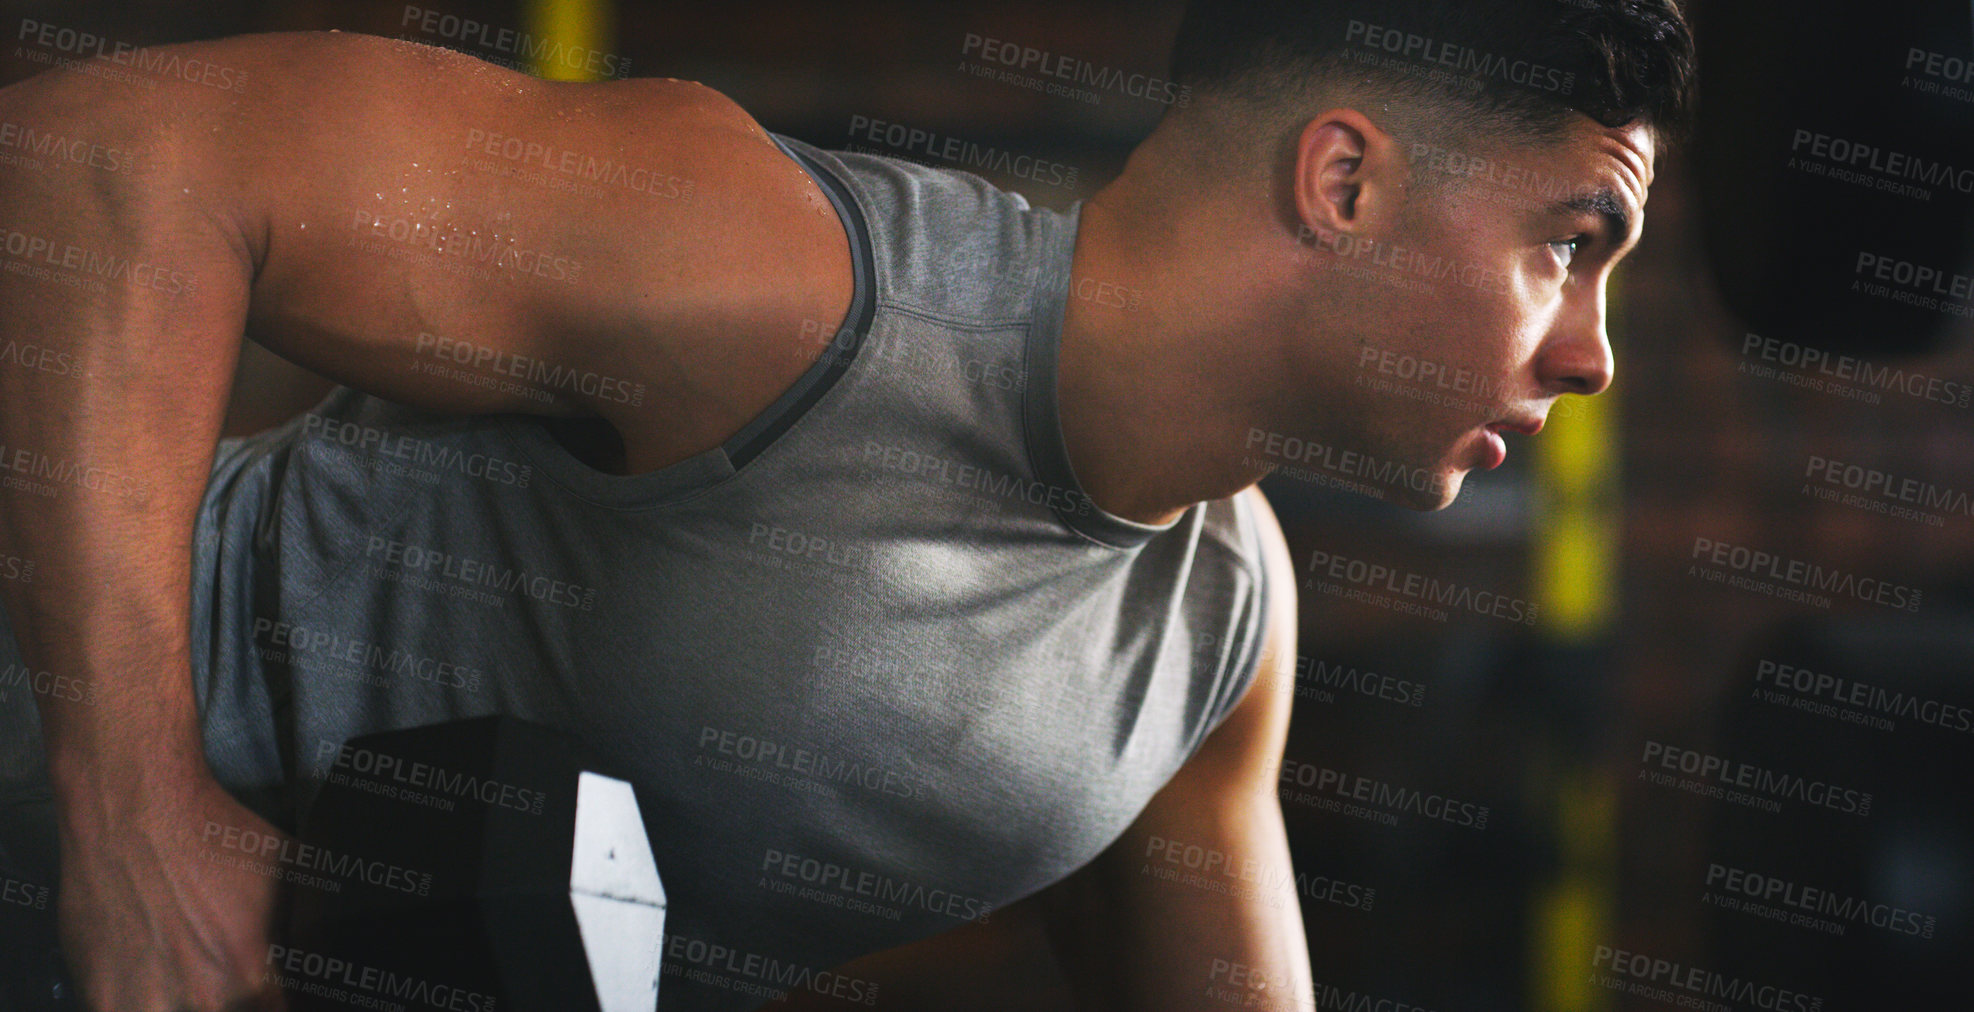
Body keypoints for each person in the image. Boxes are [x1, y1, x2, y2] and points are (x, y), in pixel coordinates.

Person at [0, 1, 1693, 1009]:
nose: (1588, 352)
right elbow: (94, 160)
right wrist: (133, 804)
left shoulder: (1214, 626)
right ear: (1343, 182)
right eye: (1570, 242)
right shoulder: (791, 279)